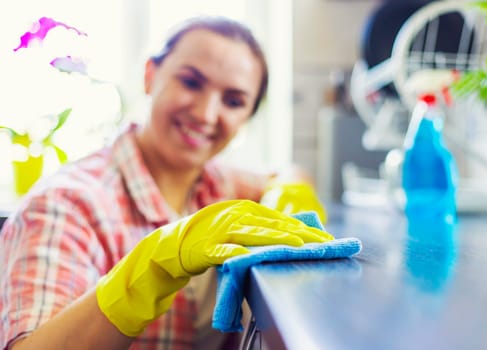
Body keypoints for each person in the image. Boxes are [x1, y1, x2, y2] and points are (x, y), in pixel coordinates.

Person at [0, 16, 329, 349]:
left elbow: (285, 174)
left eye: (233, 101)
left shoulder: (217, 185)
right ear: (149, 76)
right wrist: (150, 270)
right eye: (190, 82)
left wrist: (289, 194)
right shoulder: (65, 205)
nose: (205, 113)